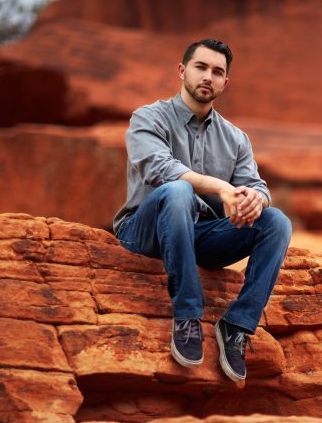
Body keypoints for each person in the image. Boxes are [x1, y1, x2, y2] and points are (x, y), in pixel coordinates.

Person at [112, 39, 292, 382]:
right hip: (143, 232)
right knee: (177, 190)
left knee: (276, 222)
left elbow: (257, 185)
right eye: (201, 67)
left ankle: (236, 326)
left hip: (200, 236)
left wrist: (256, 199)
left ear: (226, 82)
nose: (208, 76)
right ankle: (188, 315)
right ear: (183, 71)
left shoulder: (235, 138)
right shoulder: (148, 117)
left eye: (218, 71)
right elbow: (159, 170)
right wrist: (223, 188)